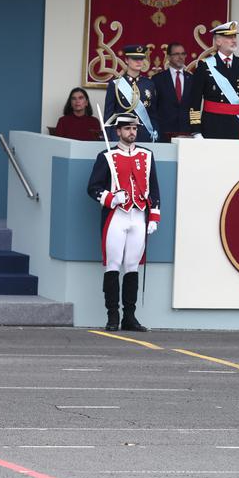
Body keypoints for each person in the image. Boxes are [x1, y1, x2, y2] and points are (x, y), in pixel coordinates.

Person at [86, 114, 160, 332]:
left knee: (132, 267)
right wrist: (110, 197)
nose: (132, 132)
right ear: (118, 131)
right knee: (113, 264)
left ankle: (130, 316)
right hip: (116, 217)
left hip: (139, 216)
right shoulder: (106, 156)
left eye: (134, 128)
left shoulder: (147, 155)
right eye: (127, 129)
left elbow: (154, 188)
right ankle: (112, 316)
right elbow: (93, 188)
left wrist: (154, 216)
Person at [189, 21, 239, 139]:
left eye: (235, 36)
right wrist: (196, 131)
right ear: (218, 41)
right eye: (229, 37)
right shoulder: (204, 66)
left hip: (238, 127)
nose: (234, 40)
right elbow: (194, 101)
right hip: (212, 126)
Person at [103, 45, 158, 143]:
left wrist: (155, 131)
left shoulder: (149, 84)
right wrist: (109, 136)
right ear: (127, 60)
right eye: (135, 59)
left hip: (144, 134)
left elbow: (153, 113)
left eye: (141, 59)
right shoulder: (116, 84)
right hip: (121, 135)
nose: (139, 62)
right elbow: (109, 114)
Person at [151, 41, 193, 140]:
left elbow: (195, 107)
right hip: (164, 132)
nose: (180, 57)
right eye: (176, 54)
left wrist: (195, 130)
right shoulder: (157, 79)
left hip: (186, 132)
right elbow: (153, 108)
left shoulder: (192, 79)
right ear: (169, 57)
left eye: (183, 54)